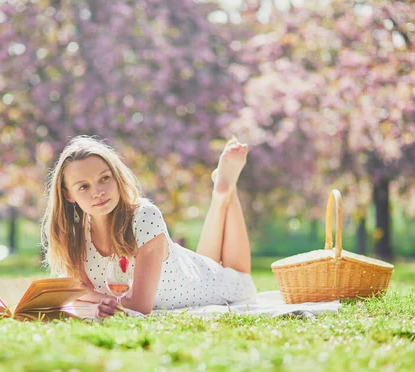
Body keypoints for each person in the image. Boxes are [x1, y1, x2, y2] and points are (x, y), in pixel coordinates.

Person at [40, 135, 256, 318]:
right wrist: (106, 301)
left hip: (220, 288)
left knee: (240, 278)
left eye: (104, 178)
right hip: (191, 271)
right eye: (84, 187)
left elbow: (140, 307)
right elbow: (77, 288)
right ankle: (220, 194)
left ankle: (226, 193)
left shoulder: (144, 216)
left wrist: (103, 303)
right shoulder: (74, 233)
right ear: (68, 194)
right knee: (204, 263)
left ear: (116, 177)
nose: (98, 192)